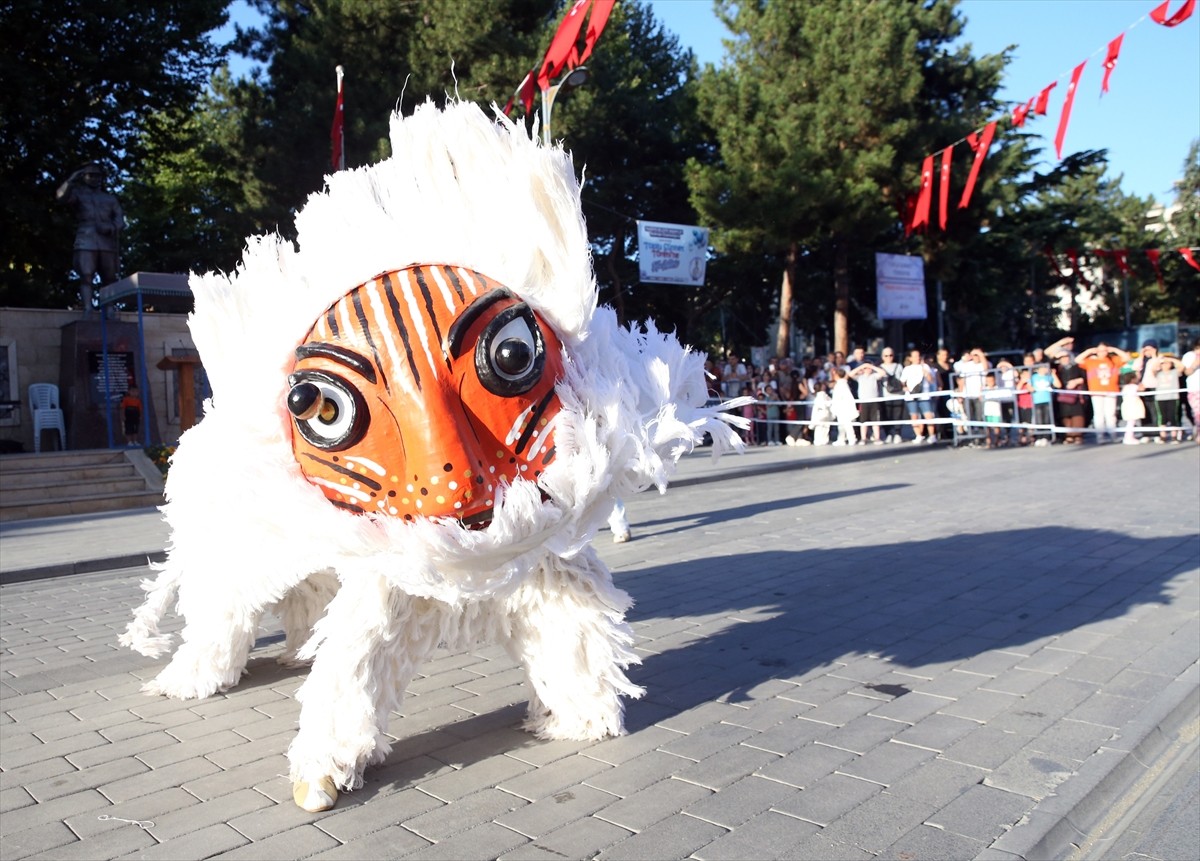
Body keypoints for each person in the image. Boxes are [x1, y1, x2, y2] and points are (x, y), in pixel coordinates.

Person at [56, 162, 124, 316]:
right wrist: (71, 180)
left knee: (109, 276)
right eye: (91, 175)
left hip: (106, 241)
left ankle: (109, 308)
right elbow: (60, 197)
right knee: (86, 275)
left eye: (98, 176)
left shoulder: (110, 199)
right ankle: (88, 308)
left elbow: (120, 221)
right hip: (86, 239)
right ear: (83, 177)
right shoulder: (78, 195)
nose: (95, 178)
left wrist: (111, 228)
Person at [1074, 343, 1130, 444]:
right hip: (1096, 391)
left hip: (1111, 390)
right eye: (1100, 350)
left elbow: (1126, 358)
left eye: (1104, 350)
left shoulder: (1113, 360)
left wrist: (1114, 349)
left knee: (1110, 414)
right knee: (1098, 414)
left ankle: (1113, 435)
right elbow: (1077, 360)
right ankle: (1100, 436)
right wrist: (1089, 351)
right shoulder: (1091, 361)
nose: (1102, 353)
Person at [900, 349, 936, 443]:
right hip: (911, 395)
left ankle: (932, 435)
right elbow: (902, 381)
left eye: (918, 356)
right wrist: (904, 387)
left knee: (928, 415)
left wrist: (925, 371)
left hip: (924, 395)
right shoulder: (907, 369)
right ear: (910, 358)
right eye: (915, 356)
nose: (917, 358)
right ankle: (918, 435)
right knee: (914, 416)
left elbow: (931, 380)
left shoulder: (925, 366)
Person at [848, 362, 885, 443]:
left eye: (869, 368)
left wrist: (872, 366)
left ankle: (877, 438)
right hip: (863, 402)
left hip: (874, 401)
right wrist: (862, 366)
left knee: (875, 421)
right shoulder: (860, 377)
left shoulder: (874, 376)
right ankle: (863, 438)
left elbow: (883, 373)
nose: (867, 369)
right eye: (866, 368)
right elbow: (850, 374)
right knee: (863, 421)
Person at [1054, 353, 1087, 444]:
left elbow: (1084, 378)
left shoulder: (1077, 367)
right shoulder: (1057, 369)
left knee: (1077, 415)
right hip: (1062, 395)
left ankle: (1077, 435)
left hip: (1075, 394)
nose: (1064, 359)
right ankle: (1069, 435)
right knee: (1065, 415)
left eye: (1066, 357)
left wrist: (1076, 381)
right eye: (1062, 358)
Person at [878, 347, 905, 443]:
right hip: (885, 395)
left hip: (898, 394)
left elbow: (903, 379)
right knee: (886, 415)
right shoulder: (879, 367)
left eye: (891, 355)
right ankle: (888, 434)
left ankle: (898, 434)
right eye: (886, 356)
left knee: (898, 415)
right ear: (882, 357)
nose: (888, 357)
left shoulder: (899, 366)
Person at [829, 366, 858, 445]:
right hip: (841, 408)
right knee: (841, 425)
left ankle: (851, 439)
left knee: (847, 424)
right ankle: (841, 439)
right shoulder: (841, 384)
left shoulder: (842, 384)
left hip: (844, 408)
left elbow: (844, 397)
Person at [1120, 370, 1145, 444]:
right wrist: (1140, 382)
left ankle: (1130, 436)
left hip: (1127, 405)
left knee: (1131, 422)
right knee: (1131, 422)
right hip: (1132, 405)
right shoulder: (1133, 386)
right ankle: (1128, 438)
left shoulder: (1125, 387)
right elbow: (1142, 388)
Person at [1182, 337, 1200, 443]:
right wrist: (1195, 364)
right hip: (1195, 389)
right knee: (1198, 413)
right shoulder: (1189, 356)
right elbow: (1186, 372)